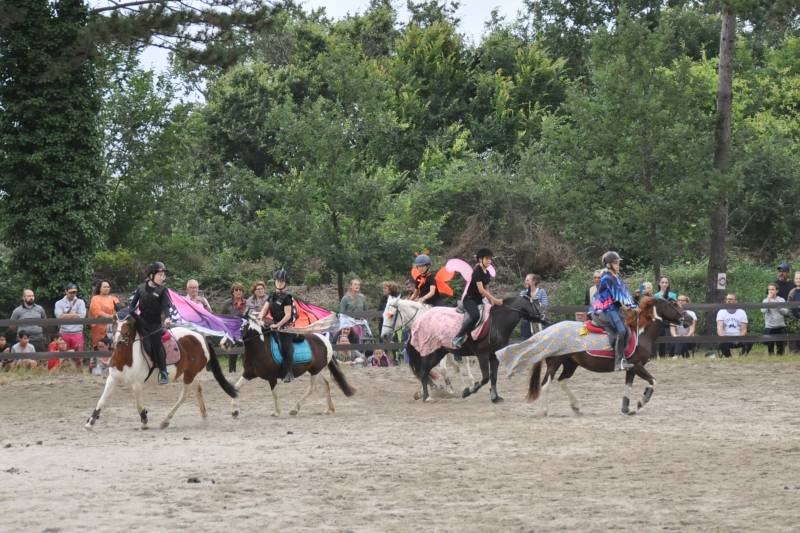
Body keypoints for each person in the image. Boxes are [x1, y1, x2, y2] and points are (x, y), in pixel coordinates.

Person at [591, 251, 637, 371]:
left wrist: (632, 304)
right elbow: (618, 295)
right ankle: (618, 362)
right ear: (608, 265)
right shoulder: (607, 278)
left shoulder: (616, 277)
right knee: (621, 330)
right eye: (616, 263)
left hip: (614, 308)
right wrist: (630, 306)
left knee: (626, 329)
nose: (618, 265)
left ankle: (623, 358)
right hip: (606, 309)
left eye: (618, 263)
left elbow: (624, 293)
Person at [128, 261, 173, 384]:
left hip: (155, 325)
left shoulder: (163, 290)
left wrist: (167, 317)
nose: (162, 278)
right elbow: (132, 305)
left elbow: (166, 307)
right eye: (160, 275)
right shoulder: (140, 288)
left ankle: (163, 372)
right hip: (140, 322)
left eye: (163, 275)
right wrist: (132, 313)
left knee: (156, 345)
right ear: (151, 275)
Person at [452, 248, 503, 348]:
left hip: (480, 300)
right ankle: (458, 337)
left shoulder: (487, 273)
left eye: (490, 259)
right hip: (470, 300)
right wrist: (495, 299)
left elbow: (486, 289)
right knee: (475, 316)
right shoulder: (477, 271)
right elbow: (481, 290)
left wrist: (491, 301)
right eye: (487, 259)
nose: (489, 261)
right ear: (480, 259)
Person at [259, 268, 296, 382]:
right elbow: (264, 309)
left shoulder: (287, 297)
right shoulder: (271, 296)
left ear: (285, 283)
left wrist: (278, 325)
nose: (279, 283)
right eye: (278, 281)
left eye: (282, 281)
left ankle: (289, 372)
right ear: (275, 282)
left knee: (286, 346)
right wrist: (259, 318)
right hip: (274, 325)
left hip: (286, 327)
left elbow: (288, 315)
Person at [54, 283, 87, 368]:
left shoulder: (80, 302)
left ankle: (79, 373)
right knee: (63, 358)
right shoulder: (59, 303)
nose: (73, 294)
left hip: (77, 333)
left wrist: (65, 315)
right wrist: (75, 314)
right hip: (64, 333)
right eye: (71, 292)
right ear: (66, 291)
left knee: (78, 358)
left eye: (74, 292)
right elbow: (59, 316)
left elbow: (82, 316)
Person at [88, 280, 120, 351]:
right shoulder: (95, 298)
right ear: (100, 288)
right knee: (99, 349)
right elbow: (97, 312)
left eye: (108, 287)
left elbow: (119, 310)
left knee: (112, 350)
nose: (107, 288)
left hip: (111, 328)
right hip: (99, 329)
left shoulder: (113, 298)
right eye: (104, 287)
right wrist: (111, 316)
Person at [716, 293, 750, 357]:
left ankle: (741, 356)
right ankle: (729, 358)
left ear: (736, 301)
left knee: (750, 341)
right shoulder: (721, 312)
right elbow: (719, 329)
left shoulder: (742, 312)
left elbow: (744, 330)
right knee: (722, 343)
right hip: (726, 338)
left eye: (730, 299)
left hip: (739, 338)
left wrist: (738, 339)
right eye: (727, 299)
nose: (728, 301)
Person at [761, 282, 790, 355]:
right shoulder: (765, 300)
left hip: (780, 326)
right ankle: (771, 360)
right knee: (770, 349)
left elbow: (786, 312)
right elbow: (763, 311)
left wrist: (778, 307)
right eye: (769, 289)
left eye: (772, 289)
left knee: (780, 349)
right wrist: (768, 300)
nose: (770, 291)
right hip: (769, 327)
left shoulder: (781, 300)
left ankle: (780, 360)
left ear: (777, 291)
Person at [653, 277, 677, 357]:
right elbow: (655, 308)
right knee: (661, 336)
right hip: (660, 319)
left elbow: (675, 307)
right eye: (662, 282)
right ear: (659, 284)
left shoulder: (673, 295)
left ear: (668, 284)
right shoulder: (656, 296)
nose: (664, 284)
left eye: (666, 282)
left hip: (670, 319)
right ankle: (662, 355)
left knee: (671, 336)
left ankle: (672, 355)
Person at [520, 273, 548, 339]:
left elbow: (545, 305)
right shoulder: (523, 293)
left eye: (527, 280)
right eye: (525, 280)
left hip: (539, 316)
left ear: (534, 281)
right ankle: (527, 341)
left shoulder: (541, 291)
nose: (525, 282)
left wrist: (535, 302)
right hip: (528, 317)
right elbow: (520, 307)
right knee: (524, 322)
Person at [787, 271, 800, 353]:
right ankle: (795, 352)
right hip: (795, 319)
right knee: (795, 337)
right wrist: (792, 317)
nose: (798, 280)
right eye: (797, 278)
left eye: (799, 278)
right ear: (794, 280)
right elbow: (789, 306)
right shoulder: (792, 292)